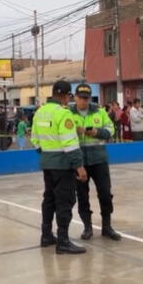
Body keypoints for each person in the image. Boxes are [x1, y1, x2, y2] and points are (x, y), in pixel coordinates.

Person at [31, 80, 88, 254]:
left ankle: (46, 235)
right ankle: (63, 241)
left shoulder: (40, 112)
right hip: (63, 166)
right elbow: (70, 143)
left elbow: (35, 139)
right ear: (65, 96)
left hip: (47, 164)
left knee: (49, 199)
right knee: (65, 201)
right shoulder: (63, 114)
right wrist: (79, 167)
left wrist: (47, 155)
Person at [70, 84, 121, 242]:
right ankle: (87, 227)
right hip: (79, 161)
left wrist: (97, 132)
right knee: (82, 195)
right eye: (81, 98)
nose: (84, 101)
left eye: (87, 98)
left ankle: (107, 226)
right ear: (75, 97)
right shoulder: (68, 114)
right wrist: (74, 131)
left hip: (99, 160)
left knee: (105, 193)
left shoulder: (99, 112)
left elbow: (111, 130)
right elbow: (63, 133)